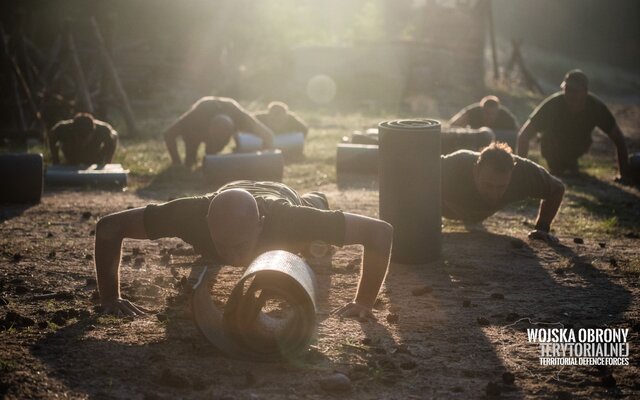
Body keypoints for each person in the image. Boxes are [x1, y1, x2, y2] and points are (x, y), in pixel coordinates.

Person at [94, 180, 392, 320]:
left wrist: (364, 301)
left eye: (241, 247)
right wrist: (110, 297)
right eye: (222, 246)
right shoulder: (188, 215)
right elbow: (109, 226)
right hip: (230, 187)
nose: (233, 258)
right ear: (206, 223)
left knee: (316, 237)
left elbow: (380, 231)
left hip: (283, 195)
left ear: (260, 225)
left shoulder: (289, 220)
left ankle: (316, 197)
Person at [517, 69, 630, 178]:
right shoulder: (552, 105)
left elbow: (619, 139)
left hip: (578, 145)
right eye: (568, 89)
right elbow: (524, 135)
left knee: (576, 150)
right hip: (552, 146)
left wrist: (623, 175)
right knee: (555, 160)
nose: (570, 94)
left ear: (585, 91)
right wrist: (521, 171)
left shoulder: (596, 107)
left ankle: (569, 162)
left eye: (575, 91)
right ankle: (559, 165)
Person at [442, 142, 565, 242]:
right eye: (488, 185)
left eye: (501, 187)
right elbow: (422, 175)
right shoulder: (453, 167)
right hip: (445, 208)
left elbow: (557, 189)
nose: (494, 193)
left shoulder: (523, 173)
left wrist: (542, 229)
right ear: (475, 171)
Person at [164, 97, 275, 167]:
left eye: (222, 139)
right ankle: (191, 158)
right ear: (209, 130)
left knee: (211, 156)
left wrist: (265, 158)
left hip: (219, 120)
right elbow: (169, 134)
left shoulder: (240, 117)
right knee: (190, 161)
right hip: (196, 129)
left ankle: (209, 157)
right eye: (216, 139)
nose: (218, 141)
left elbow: (267, 134)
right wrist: (176, 162)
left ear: (232, 131)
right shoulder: (196, 117)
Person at [48, 113, 118, 165]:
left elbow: (113, 138)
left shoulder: (104, 130)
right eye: (79, 136)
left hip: (94, 154)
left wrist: (107, 161)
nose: (82, 141)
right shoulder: (62, 129)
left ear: (93, 132)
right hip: (72, 154)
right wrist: (55, 159)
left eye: (85, 137)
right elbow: (52, 136)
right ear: (73, 130)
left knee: (113, 135)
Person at [449, 95, 518, 131]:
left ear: (498, 112)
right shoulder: (472, 112)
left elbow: (517, 133)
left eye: (493, 114)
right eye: (487, 113)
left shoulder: (505, 117)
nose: (490, 117)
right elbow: (453, 124)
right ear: (481, 110)